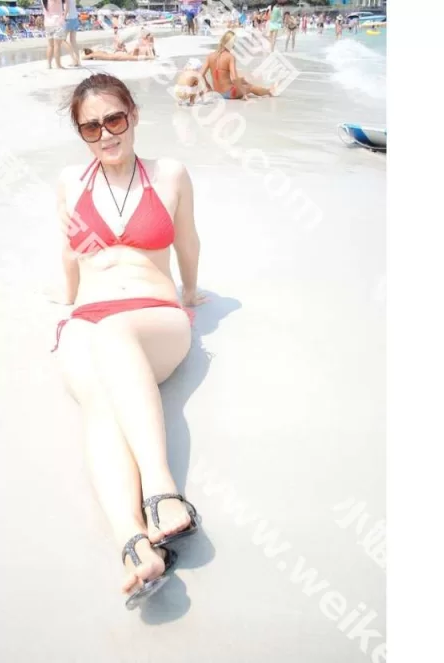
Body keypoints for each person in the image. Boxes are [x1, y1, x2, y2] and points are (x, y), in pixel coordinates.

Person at [51, 73, 206, 609]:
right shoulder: (70, 181)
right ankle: (135, 545)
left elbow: (187, 241)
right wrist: (66, 302)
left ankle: (161, 491)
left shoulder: (170, 174)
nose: (105, 134)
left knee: (114, 335)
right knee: (99, 401)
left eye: (114, 119)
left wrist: (191, 291)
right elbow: (69, 252)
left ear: (133, 115)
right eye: (90, 127)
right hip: (89, 314)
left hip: (154, 317)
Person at [200, 30, 277, 101]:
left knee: (242, 80)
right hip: (229, 93)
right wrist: (244, 93)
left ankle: (260, 88)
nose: (234, 45)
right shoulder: (230, 57)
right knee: (250, 87)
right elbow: (234, 78)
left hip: (217, 93)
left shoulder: (210, 56)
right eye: (234, 42)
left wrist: (208, 87)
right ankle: (269, 91)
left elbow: (200, 75)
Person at [42, 0, 65, 70]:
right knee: (57, 45)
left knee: (50, 45)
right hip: (57, 22)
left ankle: (49, 64)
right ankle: (58, 65)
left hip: (48, 23)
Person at [61, 0, 80, 67]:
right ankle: (78, 61)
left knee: (62, 40)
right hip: (75, 18)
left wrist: (63, 17)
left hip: (68, 19)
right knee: (73, 41)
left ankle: (74, 60)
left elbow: (67, 6)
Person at [82, 47, 154, 62]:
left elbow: (83, 58)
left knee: (133, 58)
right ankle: (149, 55)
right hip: (115, 54)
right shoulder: (98, 51)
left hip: (115, 57)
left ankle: (150, 57)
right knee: (132, 56)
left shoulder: (93, 54)